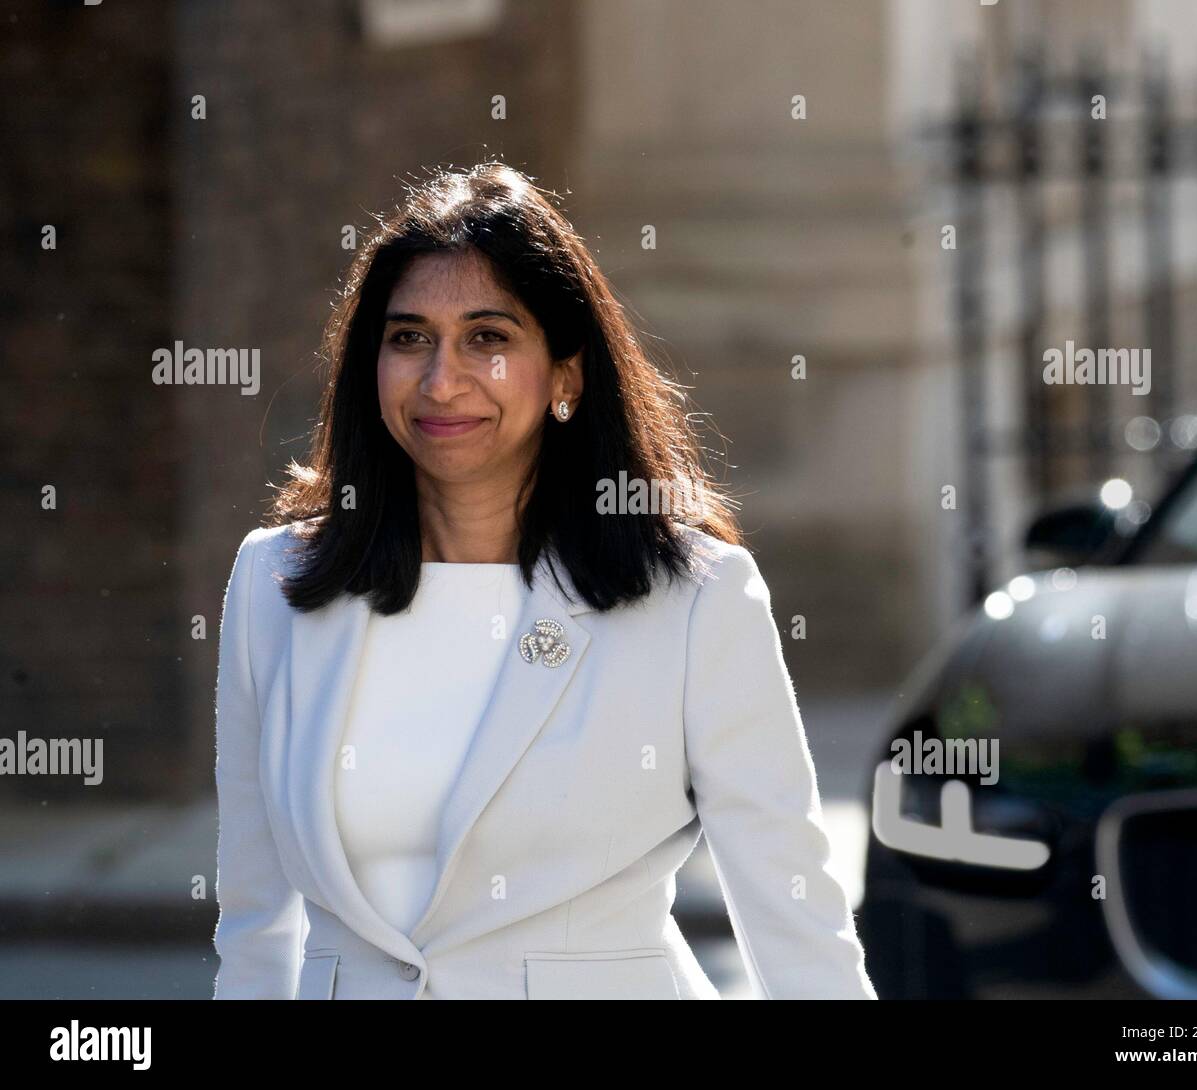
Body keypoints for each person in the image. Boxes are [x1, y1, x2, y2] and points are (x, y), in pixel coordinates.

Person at [211, 162, 875, 1000]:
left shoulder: (697, 600)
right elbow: (253, 923)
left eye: (487, 337)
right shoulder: (274, 585)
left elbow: (793, 910)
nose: (440, 380)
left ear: (566, 374)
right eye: (409, 337)